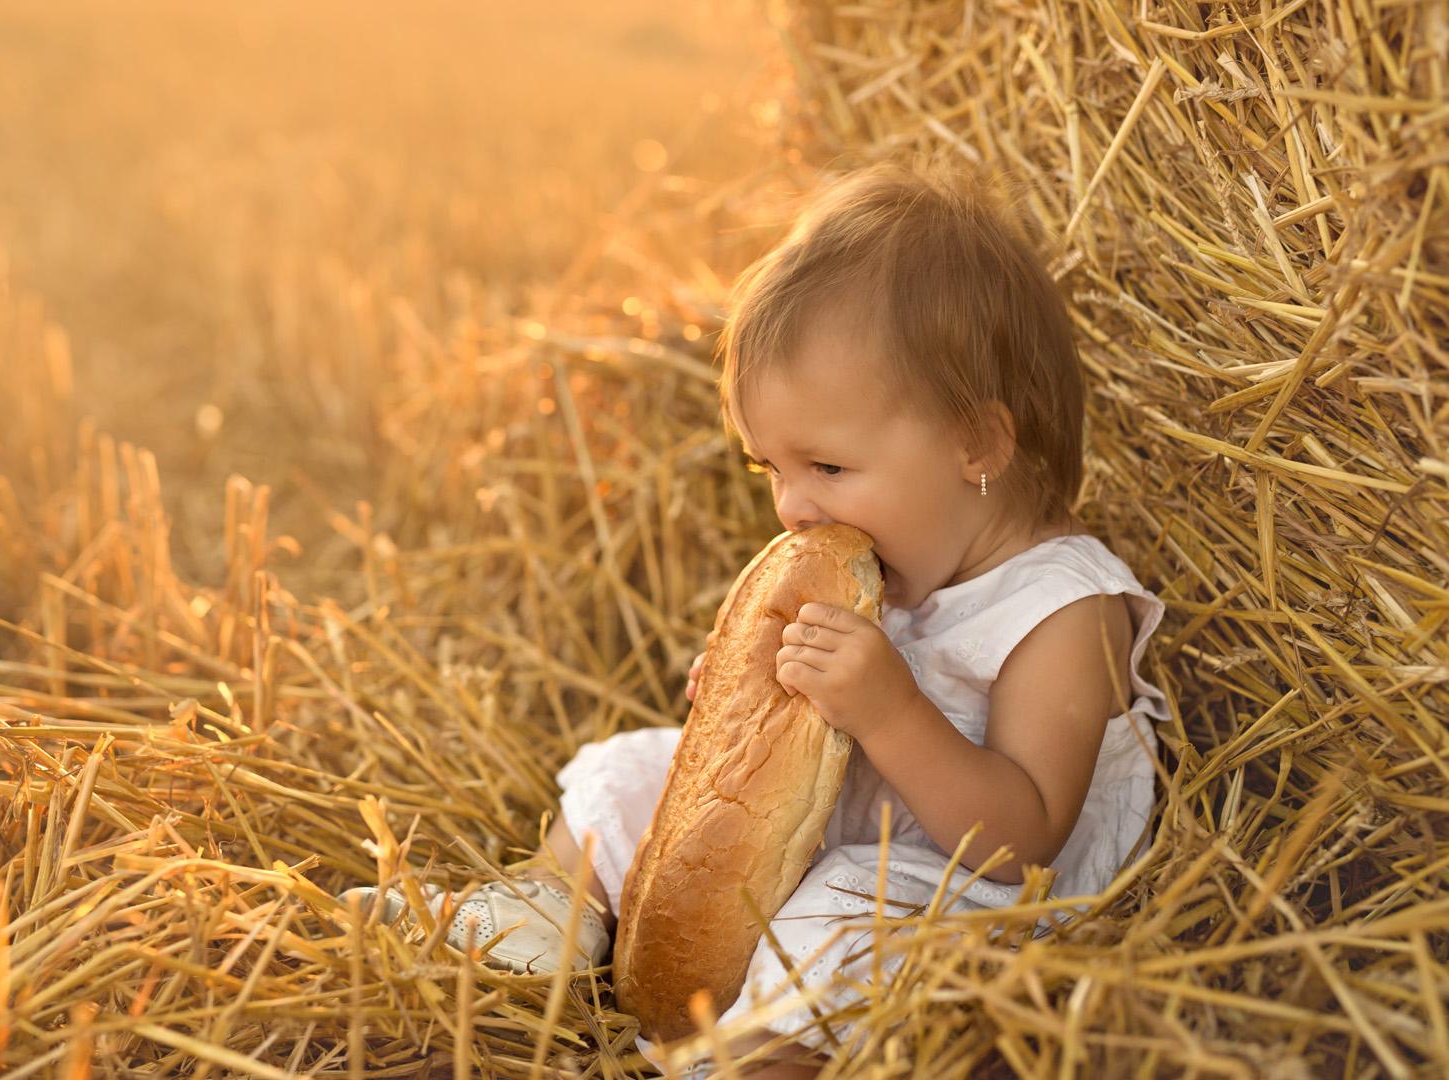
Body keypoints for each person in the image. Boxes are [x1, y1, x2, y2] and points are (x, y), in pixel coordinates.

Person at [339, 158, 1172, 1078]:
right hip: (843, 837)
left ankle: (747, 1062)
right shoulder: (891, 568)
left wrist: (888, 710)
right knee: (640, 769)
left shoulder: (1062, 608)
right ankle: (547, 910)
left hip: (959, 896)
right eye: (768, 469)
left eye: (826, 466)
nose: (793, 507)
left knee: (848, 922)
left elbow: (1024, 842)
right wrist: (745, 711)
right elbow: (799, 773)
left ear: (977, 441)